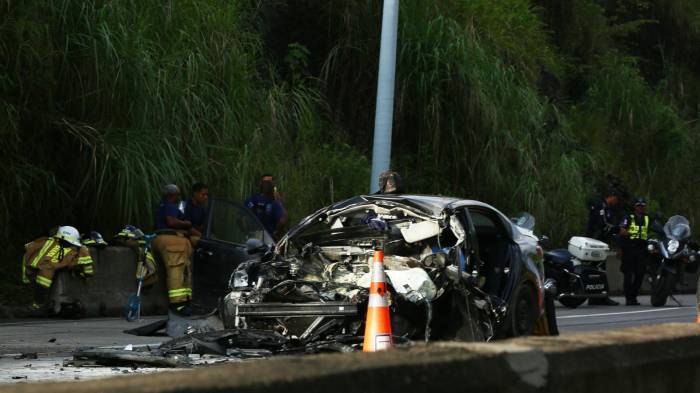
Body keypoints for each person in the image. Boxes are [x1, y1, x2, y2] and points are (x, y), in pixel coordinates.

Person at [21, 226, 94, 316]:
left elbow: (28, 250)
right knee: (44, 278)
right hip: (41, 274)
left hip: (40, 273)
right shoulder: (49, 244)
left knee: (44, 278)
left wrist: (85, 273)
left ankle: (38, 305)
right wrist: (86, 274)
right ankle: (38, 305)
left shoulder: (48, 243)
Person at [151, 184, 194, 315]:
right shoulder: (170, 206)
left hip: (163, 238)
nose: (178, 198)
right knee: (176, 268)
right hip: (170, 238)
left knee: (183, 270)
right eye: (178, 195)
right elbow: (171, 222)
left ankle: (185, 301)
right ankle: (178, 304)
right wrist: (186, 223)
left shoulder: (162, 206)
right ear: (172, 195)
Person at [618, 197, 661, 305]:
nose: (640, 208)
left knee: (640, 274)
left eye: (642, 206)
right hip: (629, 248)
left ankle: (633, 296)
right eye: (638, 206)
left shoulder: (648, 218)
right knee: (628, 274)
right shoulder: (628, 217)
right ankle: (629, 298)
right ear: (635, 207)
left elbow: (658, 228)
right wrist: (621, 247)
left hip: (642, 249)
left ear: (645, 207)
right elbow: (621, 230)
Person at [585, 189, 621, 306]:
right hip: (596, 241)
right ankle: (601, 296)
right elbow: (602, 224)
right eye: (616, 199)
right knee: (599, 269)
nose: (616, 202)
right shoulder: (600, 205)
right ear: (612, 196)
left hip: (601, 241)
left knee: (598, 268)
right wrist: (618, 229)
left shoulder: (606, 208)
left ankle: (596, 296)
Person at [244, 174, 288, 240]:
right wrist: (276, 233)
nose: (267, 185)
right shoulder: (275, 203)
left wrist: (246, 231)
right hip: (267, 238)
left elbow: (241, 217)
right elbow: (283, 221)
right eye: (266, 183)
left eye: (268, 183)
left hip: (254, 238)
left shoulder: (253, 199)